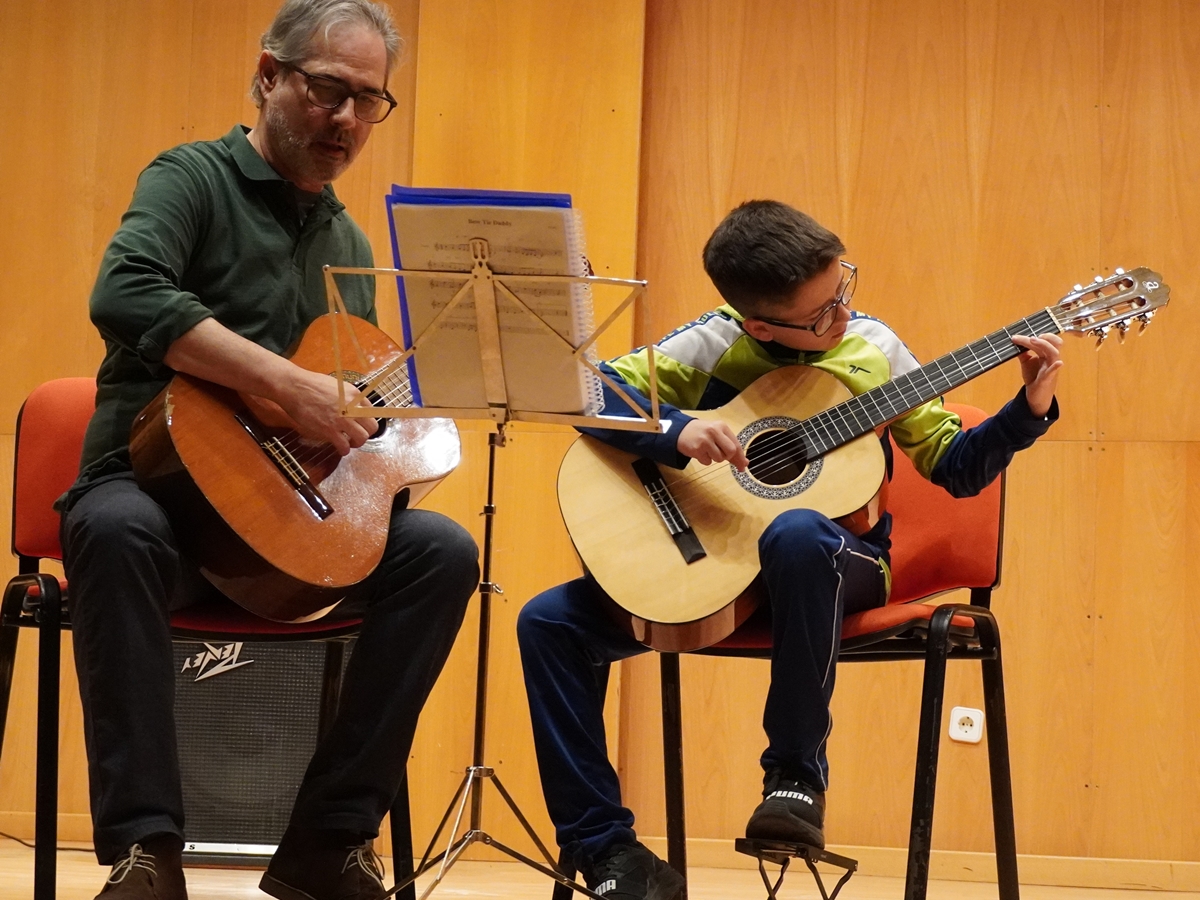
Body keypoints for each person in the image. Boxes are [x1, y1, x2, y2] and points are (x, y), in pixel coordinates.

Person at [516, 199, 1063, 900]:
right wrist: (676, 433)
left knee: (798, 531)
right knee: (547, 623)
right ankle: (610, 854)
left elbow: (957, 469)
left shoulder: (873, 350)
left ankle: (795, 779)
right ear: (760, 325)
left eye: (843, 292)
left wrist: (1029, 410)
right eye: (822, 314)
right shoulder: (714, 344)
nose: (842, 318)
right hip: (716, 568)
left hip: (840, 567)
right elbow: (587, 391)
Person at [59, 2, 479, 898]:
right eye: (330, 90)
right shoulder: (190, 179)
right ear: (267, 75)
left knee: (441, 552)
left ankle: (329, 841)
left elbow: (340, 412)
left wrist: (374, 437)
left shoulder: (351, 243)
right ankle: (146, 854)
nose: (349, 121)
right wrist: (284, 385)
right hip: (157, 500)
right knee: (115, 528)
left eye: (371, 102)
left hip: (281, 527)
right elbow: (126, 291)